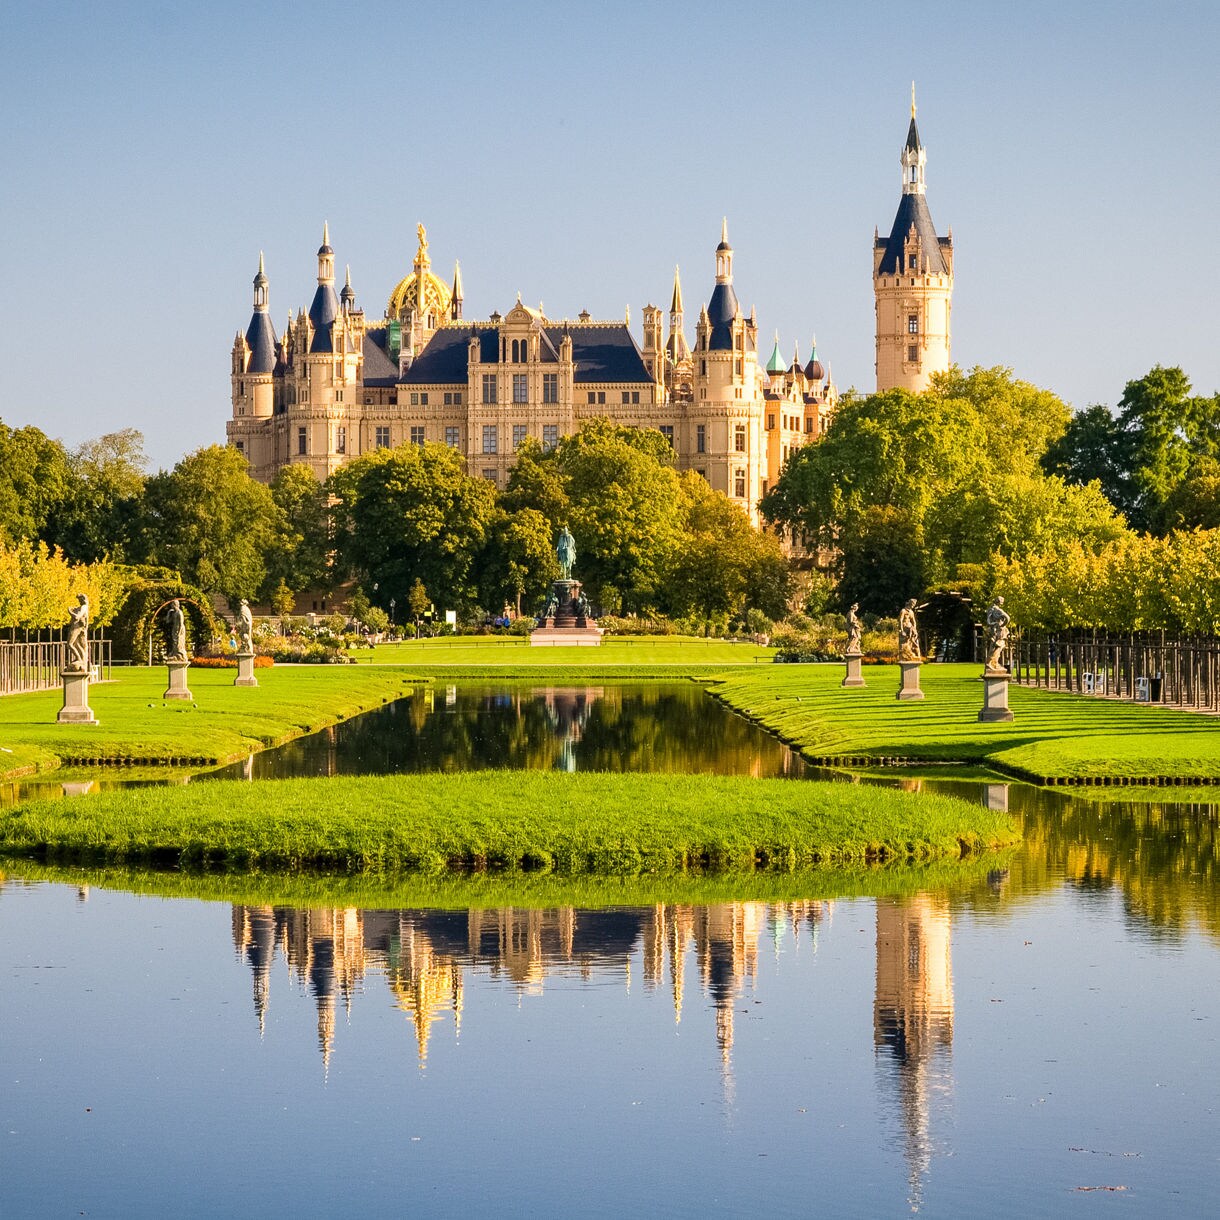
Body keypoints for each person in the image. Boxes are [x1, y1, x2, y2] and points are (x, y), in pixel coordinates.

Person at [985, 595, 1012, 671]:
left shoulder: (991, 609)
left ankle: (994, 662)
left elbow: (988, 621)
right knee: (996, 645)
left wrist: (994, 624)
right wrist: (1001, 624)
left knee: (998, 646)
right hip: (998, 630)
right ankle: (990, 663)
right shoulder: (997, 610)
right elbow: (1007, 618)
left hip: (997, 629)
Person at [65, 594, 89, 672]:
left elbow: (77, 617)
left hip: (76, 627)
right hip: (77, 626)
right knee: (77, 644)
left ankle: (79, 658)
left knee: (70, 644)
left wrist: (69, 611)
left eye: (79, 599)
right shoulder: (83, 607)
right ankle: (80, 658)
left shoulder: (84, 607)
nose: (79, 601)